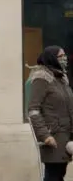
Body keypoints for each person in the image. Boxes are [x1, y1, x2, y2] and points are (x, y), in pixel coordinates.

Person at [28, 45, 73, 181]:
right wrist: (44, 135)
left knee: (59, 174)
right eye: (60, 56)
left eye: (64, 55)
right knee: (53, 175)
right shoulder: (42, 79)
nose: (64, 59)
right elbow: (33, 110)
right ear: (52, 58)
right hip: (53, 137)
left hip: (66, 136)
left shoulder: (61, 79)